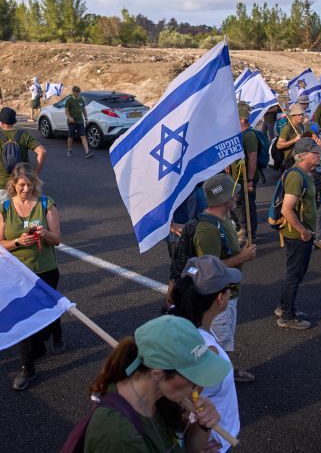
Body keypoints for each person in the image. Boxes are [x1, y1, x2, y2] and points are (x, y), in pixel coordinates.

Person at [82, 315, 226, 452]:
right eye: (193, 378)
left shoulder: (160, 400)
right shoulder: (119, 435)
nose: (198, 385)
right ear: (158, 375)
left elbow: (184, 448)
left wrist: (203, 425)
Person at [0, 166, 62, 390]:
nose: (25, 189)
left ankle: (54, 330)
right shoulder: (4, 207)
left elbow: (57, 239)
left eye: (29, 185)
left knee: (47, 310)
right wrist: (17, 243)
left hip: (45, 270)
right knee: (23, 318)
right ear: (13, 185)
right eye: (21, 185)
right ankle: (27, 368)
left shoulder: (46, 204)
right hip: (17, 273)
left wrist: (45, 234)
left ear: (35, 184)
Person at [170, 255, 242, 451]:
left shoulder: (176, 325)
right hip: (213, 442)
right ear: (220, 298)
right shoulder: (207, 351)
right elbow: (181, 406)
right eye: (230, 289)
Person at [193, 173, 257, 382]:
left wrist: (239, 251)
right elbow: (209, 269)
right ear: (222, 199)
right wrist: (242, 256)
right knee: (219, 341)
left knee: (226, 338)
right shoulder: (208, 229)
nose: (236, 196)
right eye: (232, 194)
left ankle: (225, 371)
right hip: (217, 298)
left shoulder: (224, 219)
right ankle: (219, 382)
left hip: (228, 293)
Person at [276, 138, 321, 330]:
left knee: (294, 273)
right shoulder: (296, 177)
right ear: (303, 156)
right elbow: (287, 209)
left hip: (301, 233)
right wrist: (303, 231)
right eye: (315, 152)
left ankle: (284, 306)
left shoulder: (304, 173)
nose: (319, 155)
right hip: (297, 235)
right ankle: (287, 316)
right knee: (295, 274)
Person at [0, 107, 46, 205]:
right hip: (23, 181)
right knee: (25, 210)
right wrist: (35, 173)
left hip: (4, 182)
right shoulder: (24, 134)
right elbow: (42, 152)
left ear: (1, 123)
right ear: (14, 122)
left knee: (4, 213)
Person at [233, 102, 259, 243]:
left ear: (242, 119)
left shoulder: (249, 136)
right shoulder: (241, 134)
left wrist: (249, 180)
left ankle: (249, 234)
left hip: (247, 177)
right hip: (240, 176)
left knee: (247, 205)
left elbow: (253, 158)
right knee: (241, 204)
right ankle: (246, 231)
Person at [64, 85, 93, 158]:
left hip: (80, 122)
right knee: (71, 136)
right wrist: (69, 117)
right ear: (73, 92)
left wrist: (86, 118)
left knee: (83, 136)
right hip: (72, 122)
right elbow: (66, 110)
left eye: (79, 91)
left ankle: (87, 152)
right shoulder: (69, 100)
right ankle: (69, 150)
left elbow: (83, 110)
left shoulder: (81, 100)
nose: (78, 93)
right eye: (77, 91)